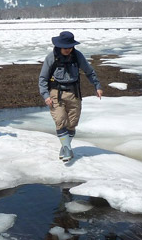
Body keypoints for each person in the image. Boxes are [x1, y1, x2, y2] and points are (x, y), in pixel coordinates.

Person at [38, 31, 103, 161]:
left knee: (72, 123)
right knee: (60, 120)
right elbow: (43, 78)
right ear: (59, 46)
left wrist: (97, 86)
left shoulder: (77, 56)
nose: (68, 50)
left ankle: (65, 146)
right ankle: (67, 149)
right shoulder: (51, 57)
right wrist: (46, 95)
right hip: (56, 94)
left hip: (74, 93)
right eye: (65, 47)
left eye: (70, 47)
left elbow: (89, 72)